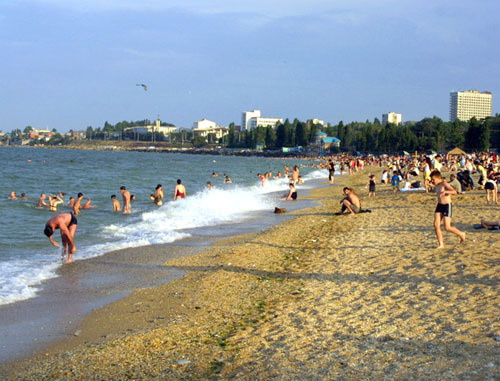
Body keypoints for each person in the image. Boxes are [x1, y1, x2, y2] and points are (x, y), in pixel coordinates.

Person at [430, 170, 466, 249]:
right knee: (436, 225)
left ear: (438, 178)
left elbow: (456, 191)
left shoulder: (444, 184)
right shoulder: (437, 185)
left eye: (433, 179)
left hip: (447, 206)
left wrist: (446, 191)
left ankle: (461, 234)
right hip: (439, 205)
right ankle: (441, 244)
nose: (432, 181)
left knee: (447, 227)